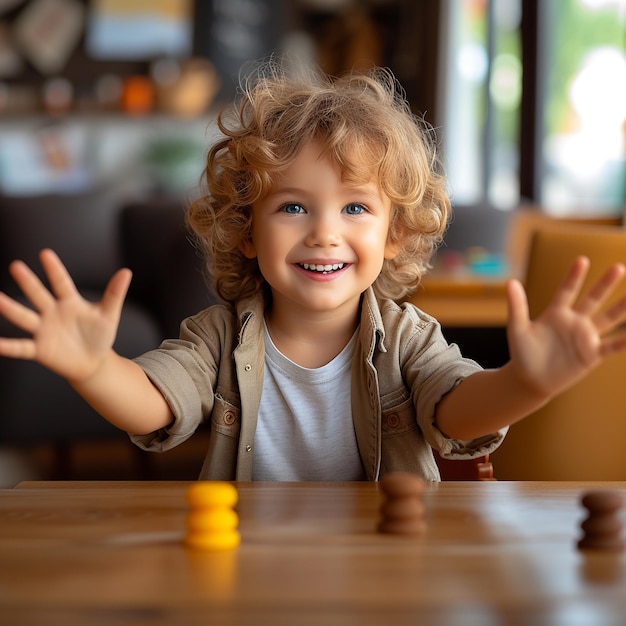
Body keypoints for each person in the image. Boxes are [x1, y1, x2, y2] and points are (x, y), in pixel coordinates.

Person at [1, 62, 626, 482]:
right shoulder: (215, 338)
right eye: (293, 206)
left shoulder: (409, 337)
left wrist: (526, 384)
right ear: (247, 231)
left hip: (387, 570)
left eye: (355, 207)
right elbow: (155, 405)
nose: (324, 231)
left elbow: (456, 414)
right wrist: (93, 368)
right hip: (249, 569)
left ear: (395, 232)